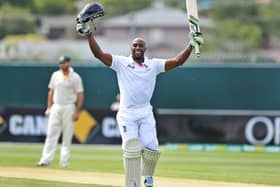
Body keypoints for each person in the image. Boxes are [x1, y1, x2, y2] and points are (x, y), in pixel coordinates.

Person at [76, 20, 203, 187]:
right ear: (131, 48)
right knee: (131, 149)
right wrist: (89, 34)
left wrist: (191, 45)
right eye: (135, 45)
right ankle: (132, 183)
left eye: (140, 46)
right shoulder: (121, 63)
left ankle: (148, 178)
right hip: (127, 114)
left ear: (145, 49)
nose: (137, 48)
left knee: (152, 151)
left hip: (145, 113)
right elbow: (98, 54)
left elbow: (177, 61)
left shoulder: (153, 65)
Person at [37, 55, 84, 168]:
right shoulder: (55, 75)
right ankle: (45, 160)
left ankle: (64, 162)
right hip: (56, 106)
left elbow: (80, 95)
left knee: (67, 136)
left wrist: (77, 111)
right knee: (51, 134)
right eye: (61, 63)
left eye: (65, 63)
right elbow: (51, 92)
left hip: (69, 107)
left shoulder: (75, 77)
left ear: (69, 63)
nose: (63, 65)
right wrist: (49, 107)